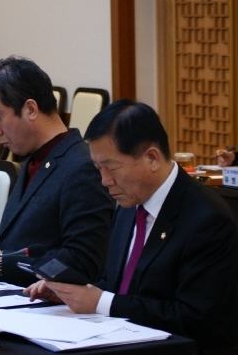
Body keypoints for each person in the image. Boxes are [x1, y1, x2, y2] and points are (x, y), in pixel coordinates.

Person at [24, 99, 238, 353]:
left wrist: (100, 302)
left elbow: (194, 318)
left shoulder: (207, 220)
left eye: (111, 167)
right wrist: (73, 293)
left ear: (152, 158)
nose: (105, 180)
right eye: (98, 168)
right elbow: (118, 285)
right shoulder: (129, 204)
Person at [0, 57, 114, 287]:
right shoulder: (34, 158)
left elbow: (83, 261)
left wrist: (0, 259)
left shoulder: (82, 167)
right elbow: (18, 244)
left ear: (30, 109)